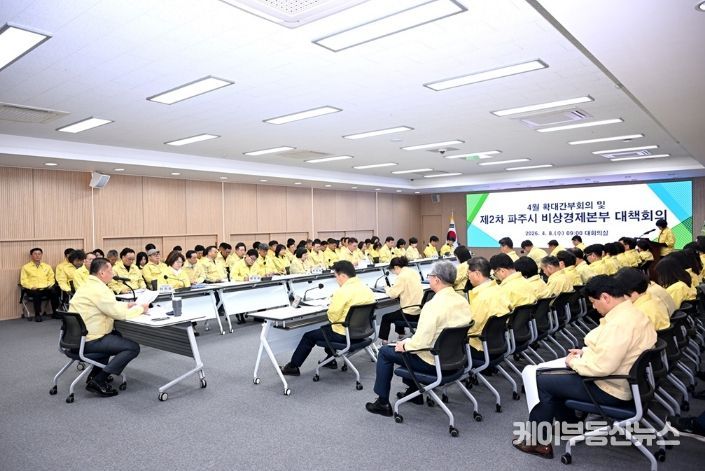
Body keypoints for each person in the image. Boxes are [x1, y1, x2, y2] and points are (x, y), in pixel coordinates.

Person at [514, 275, 657, 459]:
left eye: (593, 302)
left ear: (605, 297)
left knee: (541, 380)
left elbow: (601, 367)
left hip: (610, 388)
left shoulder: (619, 324)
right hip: (626, 383)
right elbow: (616, 351)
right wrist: (585, 353)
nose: (593, 307)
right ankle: (569, 426)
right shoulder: (634, 313)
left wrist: (573, 362)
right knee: (553, 378)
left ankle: (538, 442)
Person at [365, 261, 471, 416]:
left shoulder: (433, 305)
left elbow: (420, 343)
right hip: (457, 360)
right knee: (405, 347)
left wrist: (404, 345)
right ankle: (414, 393)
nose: (428, 279)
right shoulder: (463, 301)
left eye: (430, 276)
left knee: (385, 352)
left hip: (432, 362)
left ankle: (382, 402)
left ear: (437, 280)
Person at [68, 258, 148, 397]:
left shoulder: (88, 285)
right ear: (102, 273)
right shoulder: (99, 290)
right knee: (132, 347)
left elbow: (108, 305)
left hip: (75, 339)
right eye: (111, 271)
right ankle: (98, 380)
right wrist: (141, 309)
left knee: (116, 336)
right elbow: (119, 314)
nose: (113, 274)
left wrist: (126, 305)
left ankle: (94, 375)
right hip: (90, 340)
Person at [280, 261, 375, 375]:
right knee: (326, 329)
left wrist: (332, 303)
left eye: (336, 276)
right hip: (362, 332)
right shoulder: (366, 289)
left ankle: (293, 367)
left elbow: (333, 316)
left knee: (309, 336)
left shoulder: (343, 291)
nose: (336, 280)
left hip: (344, 335)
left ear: (342, 276)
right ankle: (330, 360)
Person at [466, 257, 511, 358]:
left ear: (477, 274)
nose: (468, 277)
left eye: (469, 273)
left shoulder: (481, 298)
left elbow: (472, 328)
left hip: (481, 348)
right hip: (499, 343)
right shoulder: (499, 289)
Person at [377, 256, 424, 344]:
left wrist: (386, 288)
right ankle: (401, 335)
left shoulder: (402, 276)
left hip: (410, 312)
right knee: (398, 312)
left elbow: (392, 295)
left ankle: (384, 342)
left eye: (393, 271)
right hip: (419, 310)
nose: (395, 274)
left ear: (396, 267)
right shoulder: (413, 272)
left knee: (386, 317)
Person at [20, 247, 60, 321]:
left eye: (39, 254)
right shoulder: (25, 267)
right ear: (31, 255)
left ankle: (55, 313)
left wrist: (49, 285)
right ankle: (37, 314)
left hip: (45, 288)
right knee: (36, 293)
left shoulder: (47, 266)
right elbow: (23, 281)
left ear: (41, 255)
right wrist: (31, 287)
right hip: (33, 289)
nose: (37, 256)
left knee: (54, 291)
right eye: (35, 254)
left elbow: (51, 278)